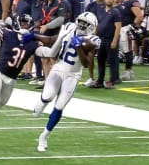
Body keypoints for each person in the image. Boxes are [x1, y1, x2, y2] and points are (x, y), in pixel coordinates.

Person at [0, 14, 73, 150]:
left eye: (28, 23)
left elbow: (50, 53)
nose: (25, 25)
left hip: (11, 80)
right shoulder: (6, 35)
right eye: (23, 22)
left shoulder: (32, 43)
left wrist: (62, 38)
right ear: (16, 23)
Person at [33, 12, 100, 152]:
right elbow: (51, 40)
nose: (81, 25)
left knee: (59, 106)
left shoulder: (92, 39)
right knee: (47, 97)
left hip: (73, 75)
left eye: (85, 24)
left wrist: (79, 47)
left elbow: (86, 64)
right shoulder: (69, 28)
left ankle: (44, 136)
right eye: (80, 22)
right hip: (58, 68)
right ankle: (42, 101)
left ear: (91, 27)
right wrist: (34, 36)